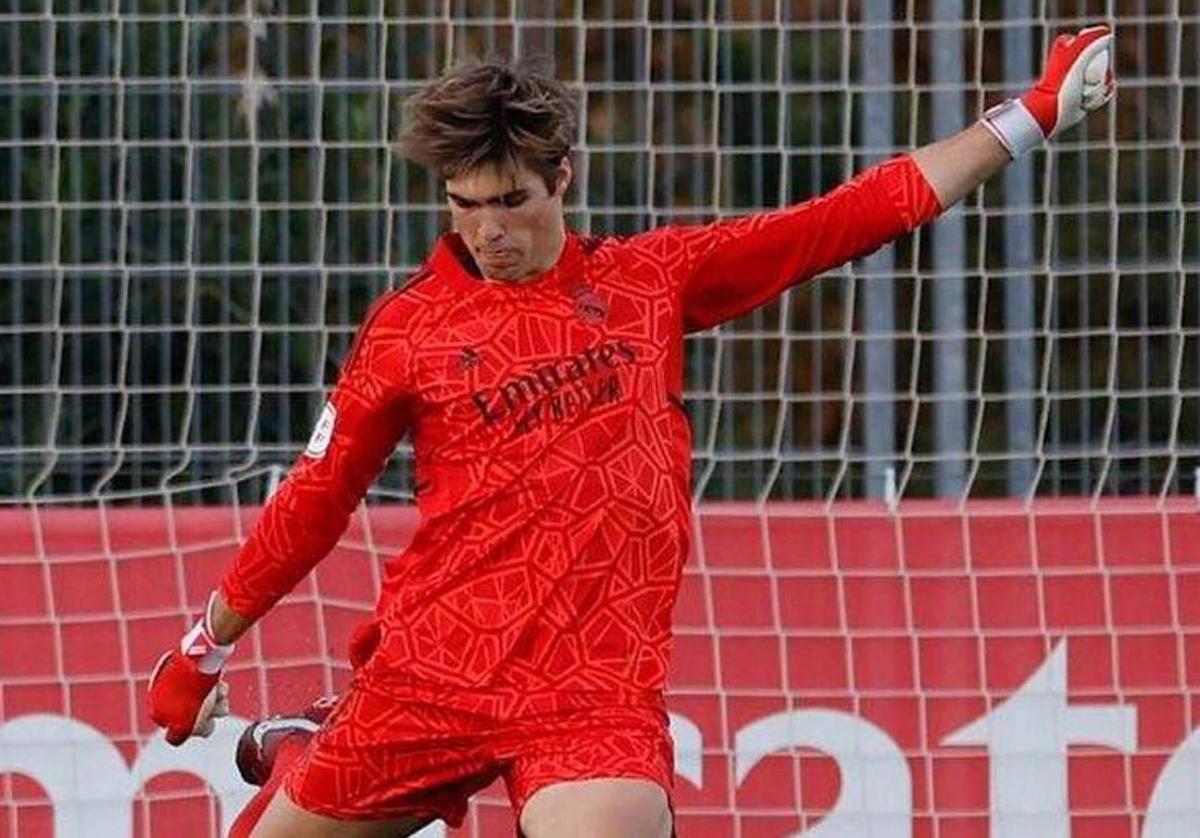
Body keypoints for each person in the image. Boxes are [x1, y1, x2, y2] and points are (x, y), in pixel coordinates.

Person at [147, 25, 1115, 838]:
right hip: (431, 674)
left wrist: (1031, 114)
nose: (491, 232)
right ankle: (311, 742)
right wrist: (204, 647)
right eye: (467, 206)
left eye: (513, 201)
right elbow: (316, 497)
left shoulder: (650, 279)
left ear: (562, 175)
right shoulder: (409, 329)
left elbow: (845, 218)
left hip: (591, 691)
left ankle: (305, 737)